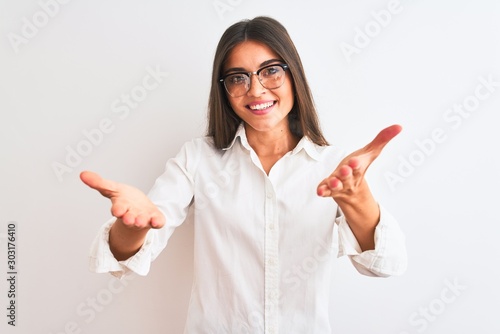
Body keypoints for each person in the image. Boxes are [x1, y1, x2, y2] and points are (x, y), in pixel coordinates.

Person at [82, 16, 407, 333]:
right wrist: (132, 224)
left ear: (293, 75)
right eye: (238, 77)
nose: (256, 89)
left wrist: (357, 197)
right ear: (223, 89)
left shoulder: (334, 166)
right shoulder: (197, 158)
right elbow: (125, 257)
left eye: (270, 71)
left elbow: (383, 265)